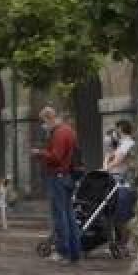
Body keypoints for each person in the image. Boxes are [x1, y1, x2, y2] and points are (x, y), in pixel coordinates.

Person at [32, 106, 81, 264]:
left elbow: (56, 157)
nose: (43, 126)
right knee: (69, 215)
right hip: (68, 177)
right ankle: (74, 252)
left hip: (58, 177)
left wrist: (39, 153)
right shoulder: (69, 131)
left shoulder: (59, 133)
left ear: (49, 118)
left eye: (43, 122)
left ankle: (63, 252)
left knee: (60, 215)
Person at [104, 119, 138, 251]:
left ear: (120, 129)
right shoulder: (122, 144)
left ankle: (126, 243)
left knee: (124, 214)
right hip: (118, 181)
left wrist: (106, 168)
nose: (115, 132)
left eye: (116, 129)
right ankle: (121, 242)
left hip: (124, 183)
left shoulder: (128, 144)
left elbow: (118, 160)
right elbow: (111, 156)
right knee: (118, 214)